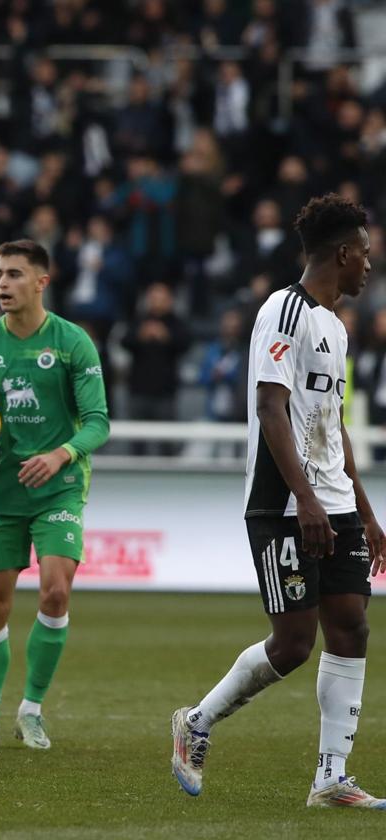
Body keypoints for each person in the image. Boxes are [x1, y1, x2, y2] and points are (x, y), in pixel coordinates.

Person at [172, 194, 386, 809]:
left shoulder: (337, 330)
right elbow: (271, 406)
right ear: (343, 253)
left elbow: (330, 423)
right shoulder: (282, 310)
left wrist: (365, 512)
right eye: (365, 254)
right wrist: (305, 500)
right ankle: (197, 721)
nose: (369, 266)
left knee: (351, 627)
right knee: (293, 642)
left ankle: (331, 779)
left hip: (336, 502)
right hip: (284, 505)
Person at [0, 239, 110, 751]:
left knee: (56, 589)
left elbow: (98, 422)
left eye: (13, 275)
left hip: (60, 488)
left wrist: (60, 454)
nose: (2, 284)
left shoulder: (73, 343)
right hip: (1, 490)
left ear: (40, 282)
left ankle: (31, 711)